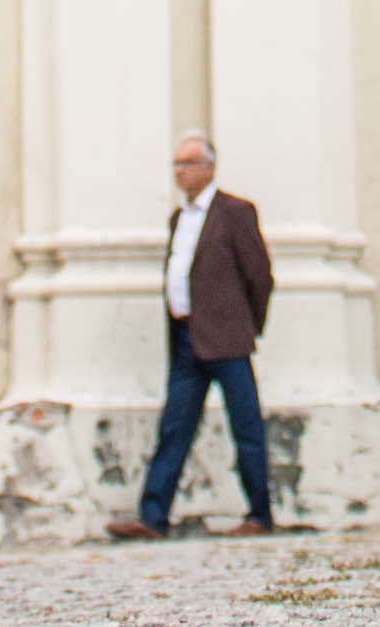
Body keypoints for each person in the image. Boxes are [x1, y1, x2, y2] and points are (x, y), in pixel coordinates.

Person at [115, 130, 279, 537]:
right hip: (187, 338)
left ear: (209, 168)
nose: (179, 172)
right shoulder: (179, 218)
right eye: (176, 164)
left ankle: (259, 514)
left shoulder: (235, 211)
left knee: (246, 426)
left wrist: (248, 325)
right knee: (174, 427)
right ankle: (153, 516)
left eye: (187, 163)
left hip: (228, 340)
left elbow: (259, 275)